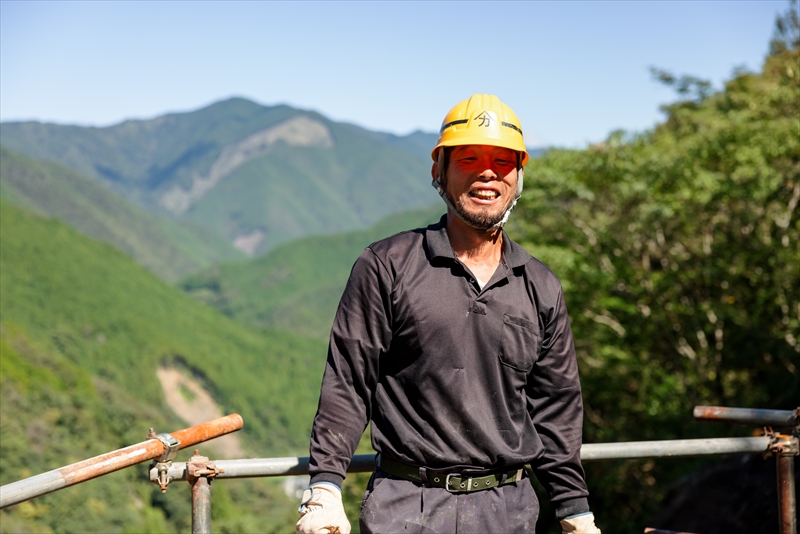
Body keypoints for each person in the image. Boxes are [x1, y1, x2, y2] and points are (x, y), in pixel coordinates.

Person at [296, 94, 601, 534]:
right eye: (470, 159)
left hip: (510, 512)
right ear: (439, 171)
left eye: (502, 161)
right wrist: (324, 487)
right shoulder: (388, 265)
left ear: (518, 176)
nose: (487, 172)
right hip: (405, 507)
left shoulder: (539, 285)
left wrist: (575, 511)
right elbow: (349, 381)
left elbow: (556, 408)